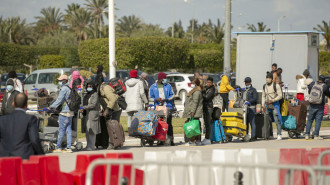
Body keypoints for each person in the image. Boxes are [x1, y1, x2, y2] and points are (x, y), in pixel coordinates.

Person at [0, 93, 44, 159]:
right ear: (26, 105)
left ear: (13, 104)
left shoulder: (2, 119)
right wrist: (41, 154)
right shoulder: (30, 119)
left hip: (5, 158)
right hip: (23, 157)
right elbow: (34, 140)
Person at [49, 75, 74, 153]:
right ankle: (69, 147)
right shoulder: (70, 88)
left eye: (60, 80)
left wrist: (51, 107)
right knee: (69, 130)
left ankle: (58, 147)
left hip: (64, 112)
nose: (59, 82)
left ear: (65, 81)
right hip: (70, 112)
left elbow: (59, 100)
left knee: (61, 130)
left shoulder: (63, 89)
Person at [150, 72, 175, 146]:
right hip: (158, 108)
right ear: (160, 79)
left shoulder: (168, 86)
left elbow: (172, 95)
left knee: (169, 124)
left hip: (168, 106)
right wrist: (156, 99)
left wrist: (166, 99)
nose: (166, 80)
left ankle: (171, 140)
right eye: (164, 78)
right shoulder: (153, 87)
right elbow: (150, 97)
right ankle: (160, 139)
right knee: (159, 124)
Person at [305, 75, 330, 140]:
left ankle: (307, 135)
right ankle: (316, 135)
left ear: (318, 79)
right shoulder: (325, 86)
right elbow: (328, 93)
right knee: (318, 121)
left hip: (312, 104)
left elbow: (309, 91)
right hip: (320, 105)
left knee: (310, 120)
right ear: (324, 80)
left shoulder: (313, 84)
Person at [99, 80, 121, 149]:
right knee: (109, 127)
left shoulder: (105, 88)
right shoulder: (100, 89)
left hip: (113, 110)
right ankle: (113, 143)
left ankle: (114, 144)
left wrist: (107, 109)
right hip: (109, 109)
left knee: (113, 128)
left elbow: (112, 98)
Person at [262, 73, 283, 140]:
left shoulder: (276, 85)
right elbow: (263, 96)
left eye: (269, 78)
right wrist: (263, 105)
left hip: (275, 104)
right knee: (268, 120)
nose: (267, 79)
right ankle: (270, 134)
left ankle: (279, 134)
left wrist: (273, 100)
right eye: (266, 78)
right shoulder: (264, 86)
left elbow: (280, 96)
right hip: (267, 104)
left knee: (277, 119)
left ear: (271, 79)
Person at [81, 80, 101, 151]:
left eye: (90, 86)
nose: (89, 87)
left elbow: (93, 104)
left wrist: (84, 107)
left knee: (92, 131)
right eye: (88, 86)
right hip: (86, 114)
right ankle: (88, 145)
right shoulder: (87, 95)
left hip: (92, 114)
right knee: (87, 130)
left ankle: (91, 146)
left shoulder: (95, 94)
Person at [183, 78, 203, 146]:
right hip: (192, 111)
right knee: (195, 126)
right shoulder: (193, 90)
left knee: (193, 126)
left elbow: (195, 102)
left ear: (196, 84)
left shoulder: (197, 91)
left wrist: (192, 111)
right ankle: (197, 140)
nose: (191, 84)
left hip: (194, 112)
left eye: (193, 83)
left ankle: (194, 140)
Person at [242, 77, 258, 141]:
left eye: (247, 82)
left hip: (251, 108)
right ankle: (246, 136)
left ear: (250, 82)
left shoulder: (253, 90)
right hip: (245, 108)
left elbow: (255, 98)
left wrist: (249, 102)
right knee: (245, 123)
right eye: (245, 82)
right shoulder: (244, 90)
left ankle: (253, 136)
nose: (246, 83)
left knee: (252, 122)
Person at [201, 77, 216, 145]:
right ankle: (206, 138)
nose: (208, 83)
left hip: (209, 107)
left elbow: (206, 97)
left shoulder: (212, 89)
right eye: (208, 82)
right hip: (205, 107)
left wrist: (202, 92)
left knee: (208, 123)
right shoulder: (207, 88)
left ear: (212, 83)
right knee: (206, 123)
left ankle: (208, 138)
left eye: (210, 82)